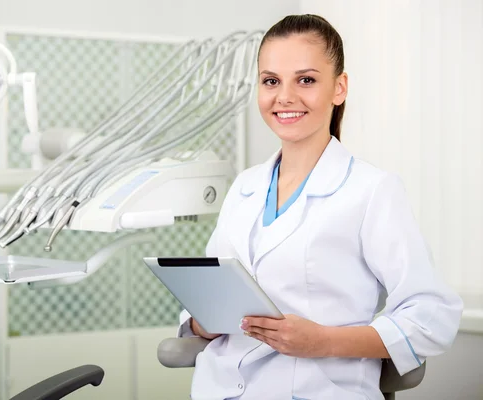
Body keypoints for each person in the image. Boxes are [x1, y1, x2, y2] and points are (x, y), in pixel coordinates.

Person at [176, 14, 463, 400]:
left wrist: (322, 341)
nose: (285, 96)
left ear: (339, 88)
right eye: (271, 81)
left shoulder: (371, 190)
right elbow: (210, 297)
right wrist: (201, 324)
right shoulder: (245, 187)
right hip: (220, 389)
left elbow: (433, 317)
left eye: (306, 80)